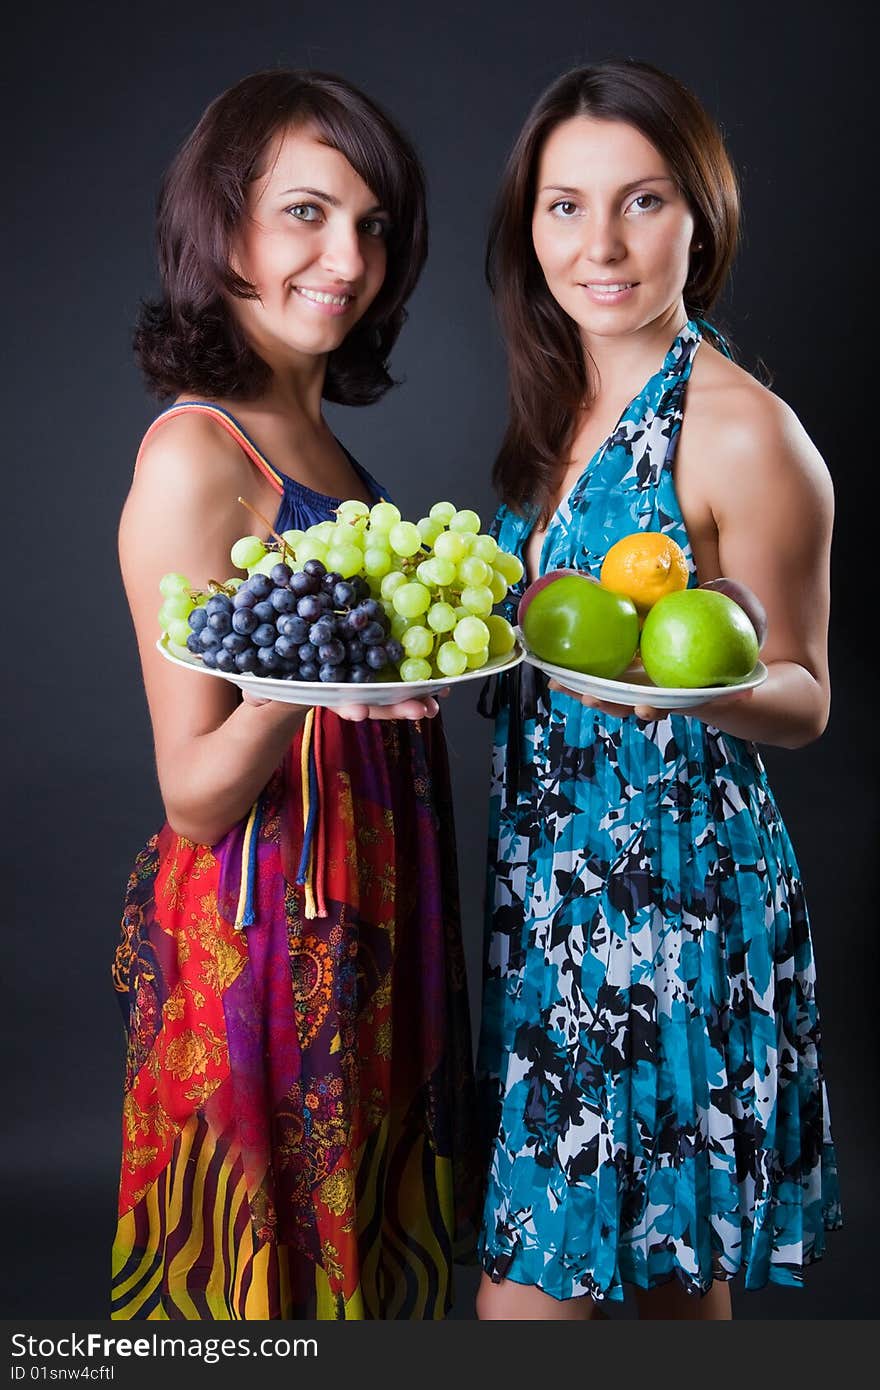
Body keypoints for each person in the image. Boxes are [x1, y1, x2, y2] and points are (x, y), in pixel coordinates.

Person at [111, 70, 479, 1321]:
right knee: (265, 1291)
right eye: (306, 213)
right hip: (270, 932)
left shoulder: (312, 435)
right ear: (221, 227)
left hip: (371, 912)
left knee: (368, 1273)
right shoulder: (196, 452)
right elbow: (196, 797)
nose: (349, 256)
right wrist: (296, 688)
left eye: (373, 225)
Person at [475, 59, 840, 1320]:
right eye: (564, 206)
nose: (603, 245)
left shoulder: (743, 429)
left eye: (641, 202)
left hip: (672, 897)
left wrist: (687, 696)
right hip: (556, 884)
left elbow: (805, 693)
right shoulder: (564, 398)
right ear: (529, 227)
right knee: (654, 1295)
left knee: (603, 1297)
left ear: (701, 213)